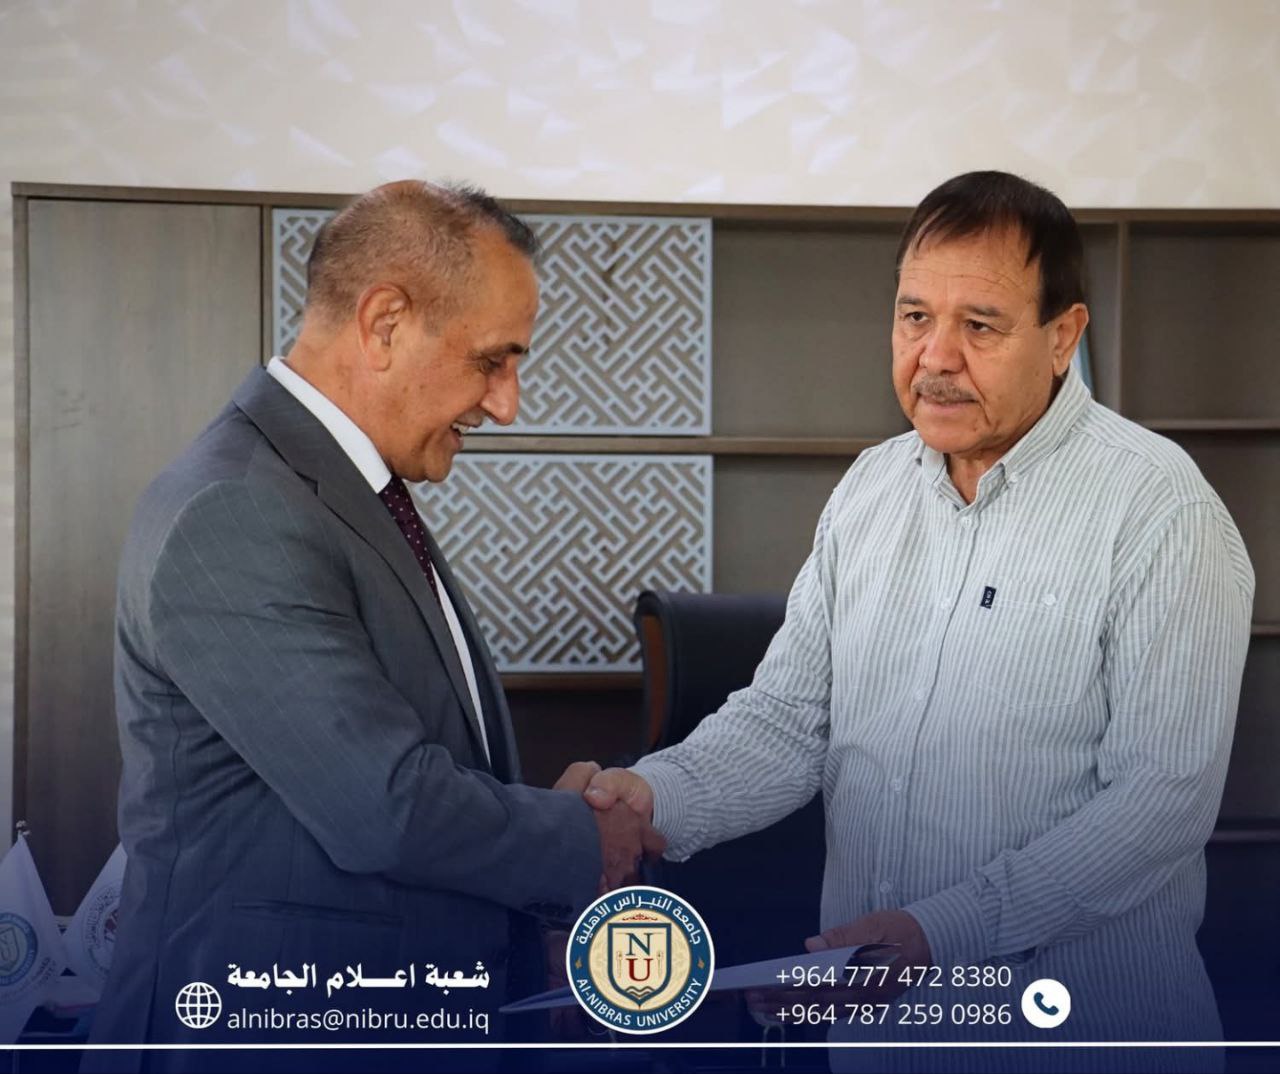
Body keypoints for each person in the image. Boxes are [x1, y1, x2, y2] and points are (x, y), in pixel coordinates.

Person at [583, 171, 1254, 1067]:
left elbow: (1160, 802)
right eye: (913, 317)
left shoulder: (1160, 508)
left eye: (979, 325)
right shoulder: (870, 489)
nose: (936, 356)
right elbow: (787, 721)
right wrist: (651, 795)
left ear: (1063, 336)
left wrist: (944, 931)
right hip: (884, 1042)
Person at [90, 180, 661, 1061]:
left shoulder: (339, 493)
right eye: (492, 361)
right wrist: (582, 837)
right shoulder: (237, 510)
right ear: (385, 322)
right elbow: (385, 807)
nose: (506, 404)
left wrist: (535, 833)